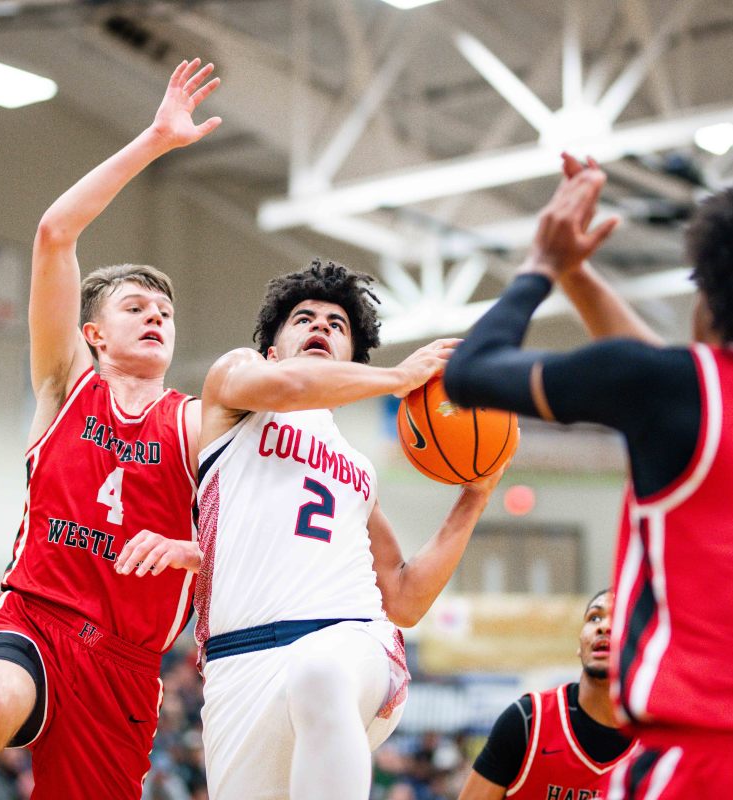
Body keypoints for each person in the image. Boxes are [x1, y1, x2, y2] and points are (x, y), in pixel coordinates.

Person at [443, 157, 733, 799]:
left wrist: (541, 263)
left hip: (709, 764)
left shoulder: (682, 393)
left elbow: (473, 371)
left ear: (729, 299)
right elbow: (669, 384)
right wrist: (578, 272)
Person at [0, 58, 222, 800]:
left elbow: (259, 535)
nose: (155, 315)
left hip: (125, 664)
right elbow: (55, 233)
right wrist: (152, 141)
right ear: (93, 332)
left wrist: (193, 549)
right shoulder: (66, 382)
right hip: (35, 617)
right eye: (136, 306)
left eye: (166, 313)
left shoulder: (197, 423)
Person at [178, 259, 507, 800]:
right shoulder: (234, 385)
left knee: (319, 672)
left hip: (350, 641)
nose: (321, 327)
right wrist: (398, 378)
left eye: (337, 325)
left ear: (351, 358)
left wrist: (475, 499)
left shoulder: (360, 470)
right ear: (271, 351)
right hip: (238, 667)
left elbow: (401, 597)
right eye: (304, 318)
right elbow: (290, 387)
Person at [459, 589, 634, 800]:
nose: (603, 627)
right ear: (580, 645)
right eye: (594, 617)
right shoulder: (527, 721)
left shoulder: (662, 742)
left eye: (619, 618)